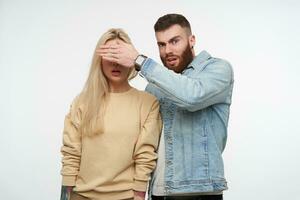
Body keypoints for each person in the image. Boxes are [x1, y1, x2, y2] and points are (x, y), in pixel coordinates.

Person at [98, 14, 234, 200]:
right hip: (158, 192)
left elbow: (192, 97)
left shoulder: (217, 69)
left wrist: (140, 61)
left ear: (191, 40)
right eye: (161, 44)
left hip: (198, 190)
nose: (167, 50)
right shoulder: (154, 86)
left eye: (174, 41)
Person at [60, 28, 162, 200]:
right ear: (99, 60)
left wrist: (139, 193)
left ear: (130, 60)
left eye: (120, 56)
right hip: (81, 195)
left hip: (127, 197)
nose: (115, 63)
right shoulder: (82, 102)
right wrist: (67, 194)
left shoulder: (147, 103)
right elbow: (71, 151)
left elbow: (145, 154)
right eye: (109, 56)